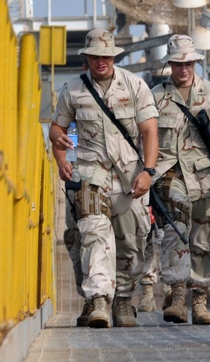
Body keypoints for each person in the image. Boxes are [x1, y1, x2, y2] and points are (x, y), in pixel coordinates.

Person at [50, 28, 159, 328]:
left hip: (129, 179)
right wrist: (62, 159)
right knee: (94, 234)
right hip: (91, 174)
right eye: (96, 56)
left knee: (130, 243)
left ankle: (124, 301)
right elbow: (56, 130)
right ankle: (99, 300)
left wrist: (148, 172)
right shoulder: (73, 90)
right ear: (87, 58)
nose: (101, 62)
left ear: (113, 57)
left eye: (106, 56)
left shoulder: (135, 86)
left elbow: (150, 131)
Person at [151, 35, 210, 325]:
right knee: (176, 226)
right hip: (169, 172)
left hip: (206, 174)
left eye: (187, 62)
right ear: (170, 64)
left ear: (195, 62)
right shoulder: (155, 97)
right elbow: (146, 135)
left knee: (207, 235)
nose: (183, 68)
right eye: (177, 63)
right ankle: (176, 294)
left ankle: (199, 300)